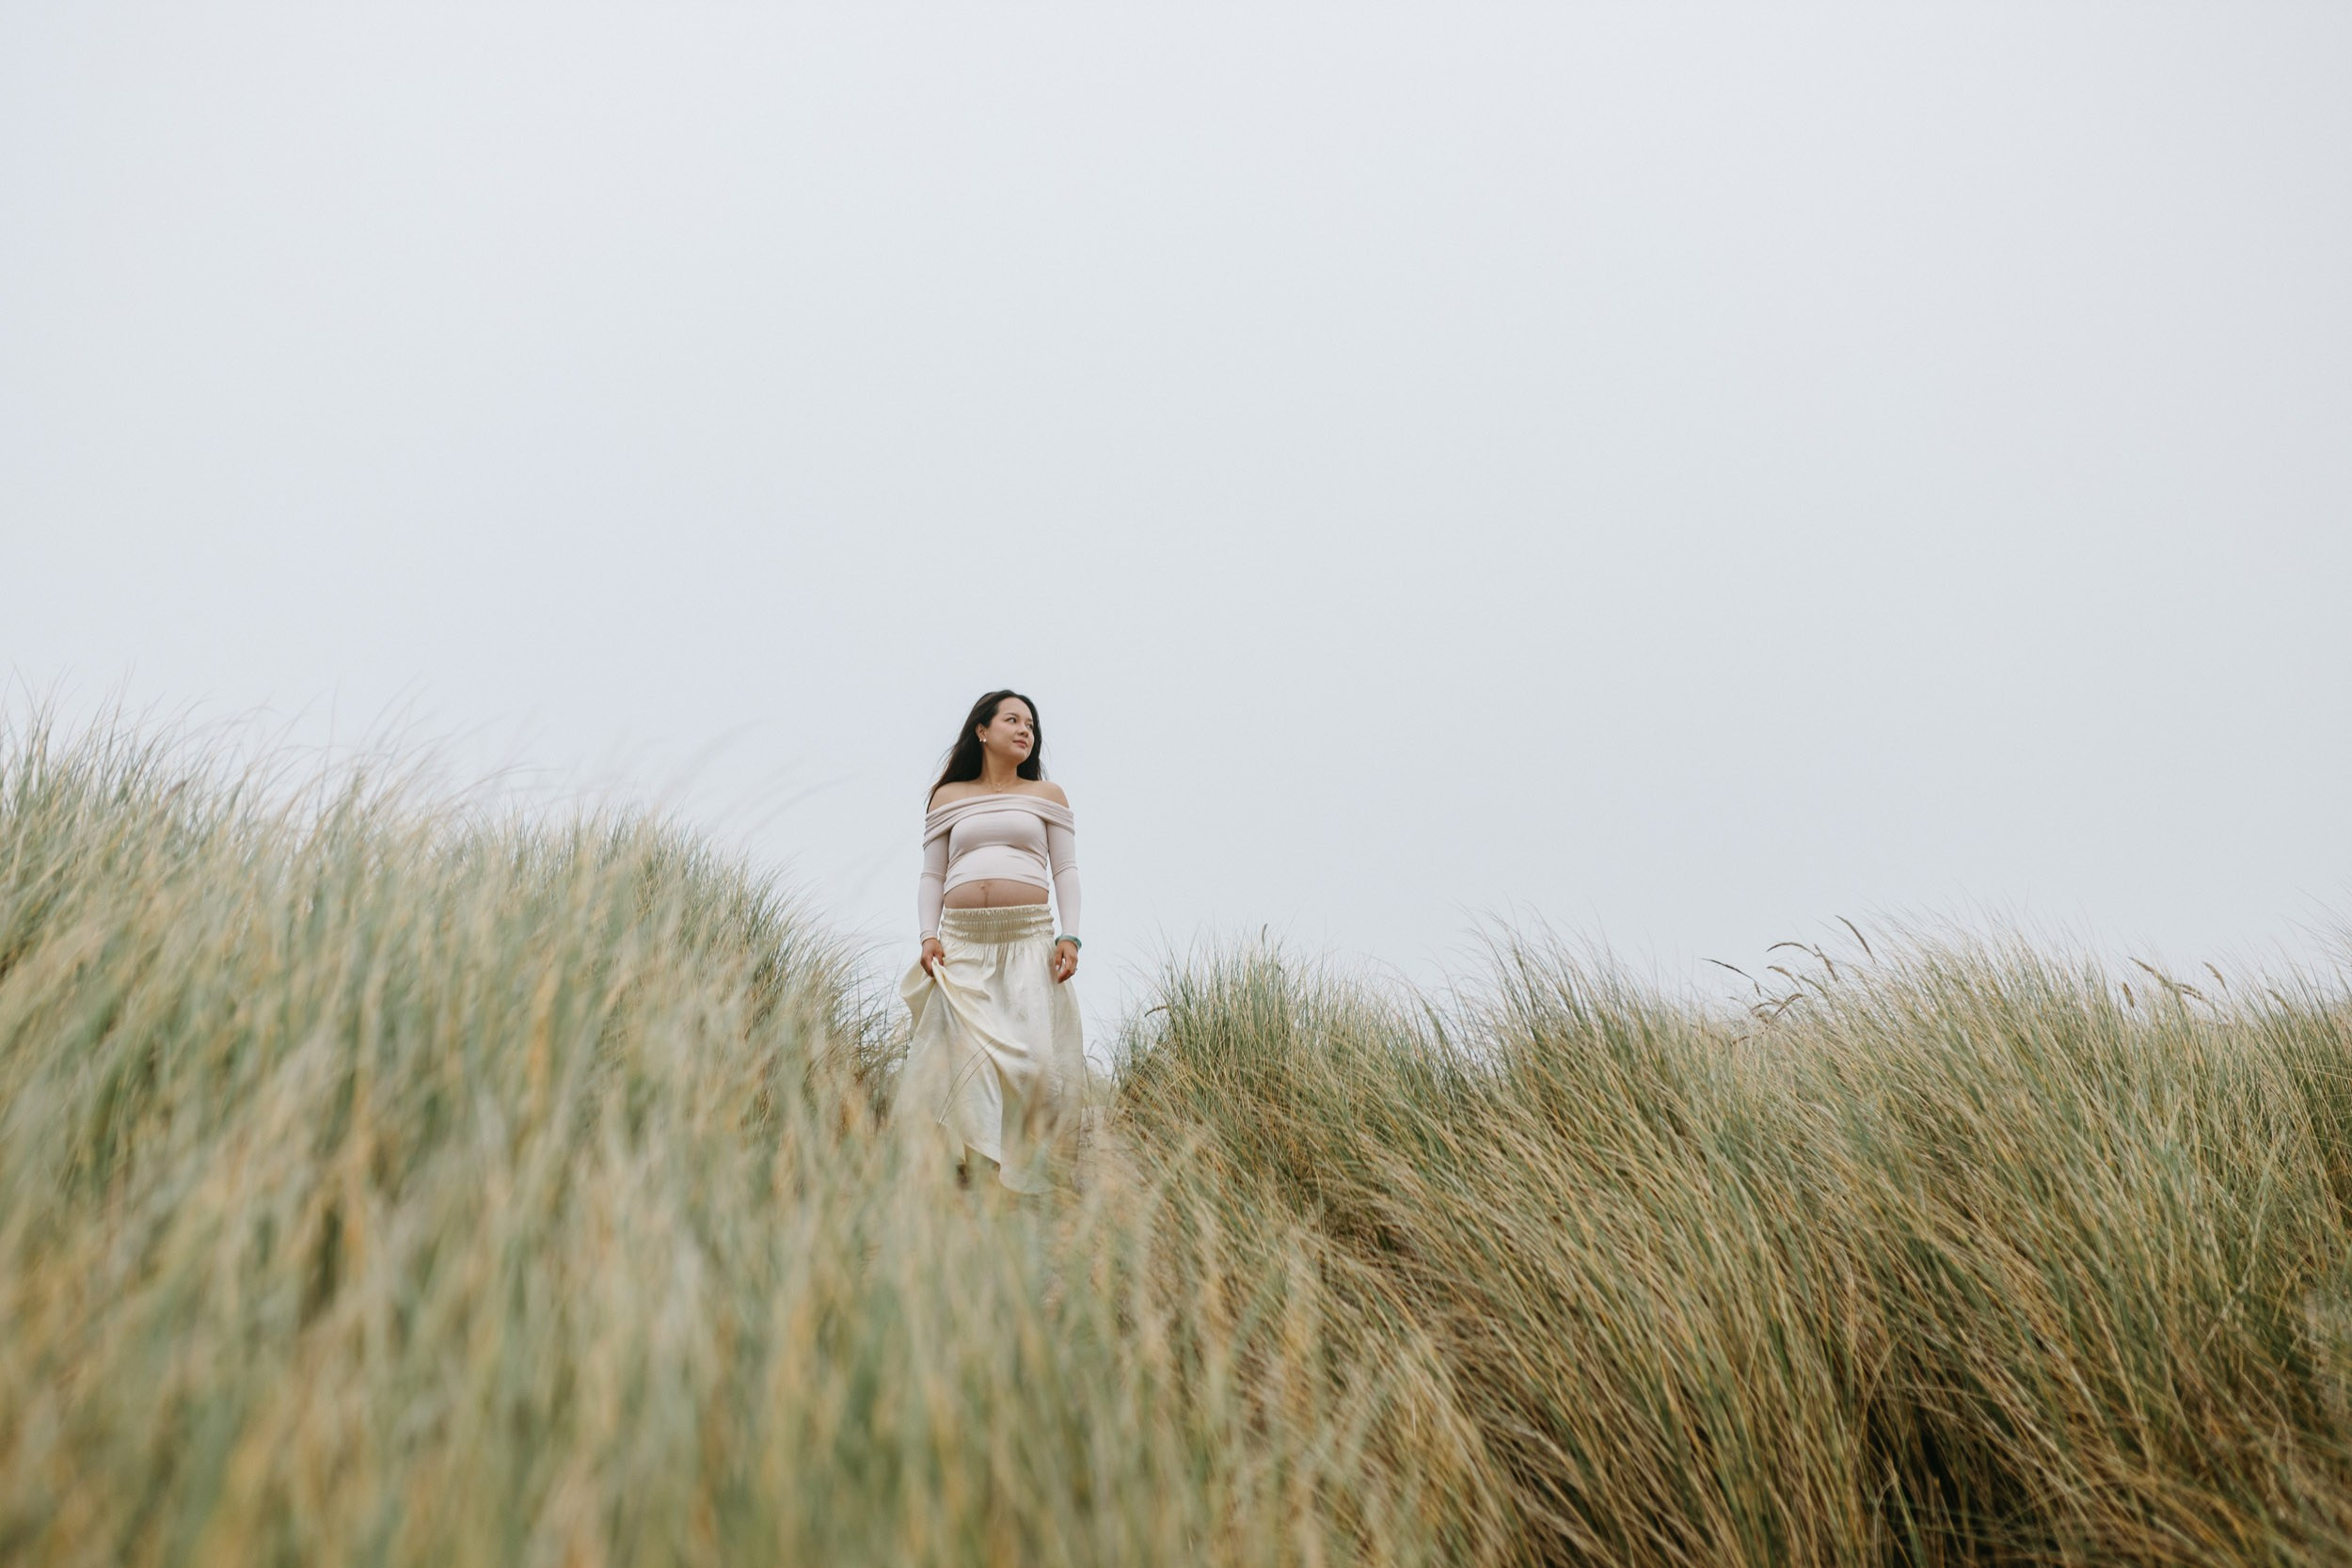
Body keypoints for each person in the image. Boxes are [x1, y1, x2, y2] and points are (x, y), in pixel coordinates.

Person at [896, 689, 1087, 1194]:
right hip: (962, 943)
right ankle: (980, 1167)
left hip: (1027, 937)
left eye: (1031, 724)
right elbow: (932, 875)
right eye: (1013, 720)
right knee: (970, 1054)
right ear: (982, 730)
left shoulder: (1048, 796)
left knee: (1035, 1057)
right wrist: (927, 935)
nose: (1025, 730)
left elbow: (1065, 869)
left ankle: (1035, 1159)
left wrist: (1069, 933)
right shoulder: (948, 798)